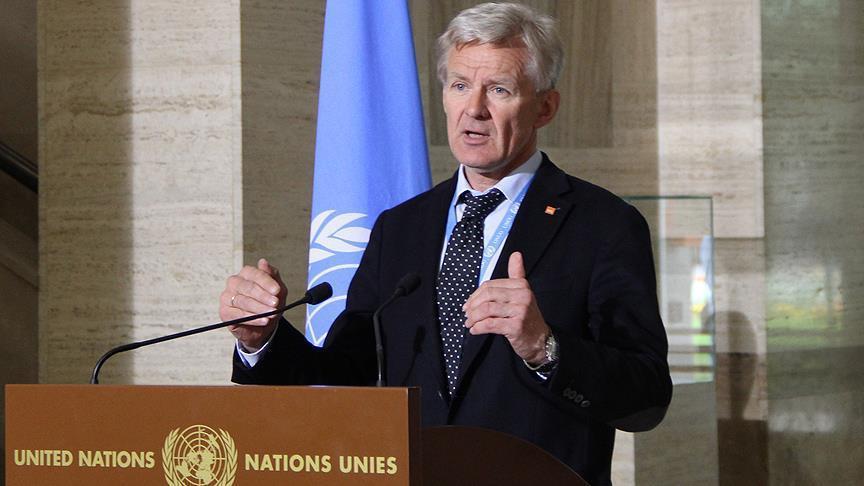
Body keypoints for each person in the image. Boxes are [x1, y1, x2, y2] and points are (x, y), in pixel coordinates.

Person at [220, 3, 672, 484]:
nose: (474, 109)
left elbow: (646, 399)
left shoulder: (602, 225)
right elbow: (346, 372)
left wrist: (545, 347)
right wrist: (262, 340)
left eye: (498, 89)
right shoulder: (400, 227)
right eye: (459, 85)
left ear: (545, 107)